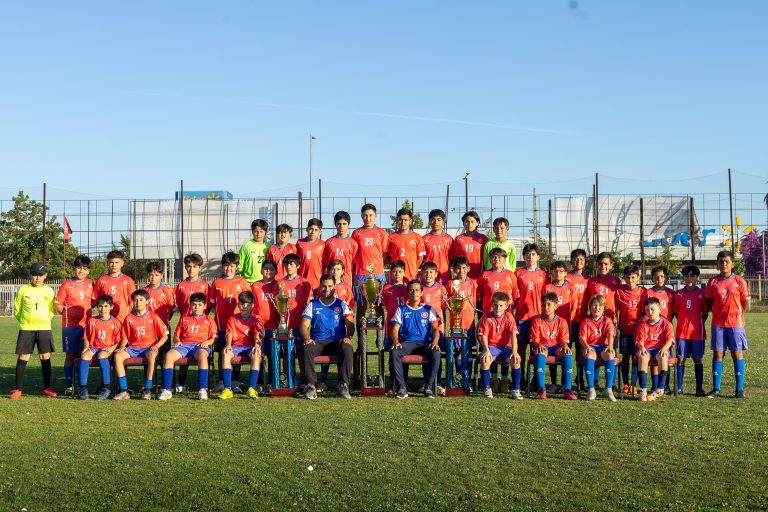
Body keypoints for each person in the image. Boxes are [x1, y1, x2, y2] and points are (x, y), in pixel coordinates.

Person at [300, 275, 356, 399]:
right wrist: (306, 338)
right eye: (324, 286)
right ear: (320, 287)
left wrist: (348, 337)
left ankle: (343, 385)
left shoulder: (342, 304)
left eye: (330, 286)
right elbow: (304, 325)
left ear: (335, 287)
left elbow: (351, 325)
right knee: (307, 348)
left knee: (347, 348)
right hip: (318, 342)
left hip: (337, 341)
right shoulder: (312, 305)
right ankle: (311, 385)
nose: (327, 289)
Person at [705, 250, 750, 399]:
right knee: (718, 354)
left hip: (735, 324)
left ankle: (739, 390)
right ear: (717, 264)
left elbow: (745, 302)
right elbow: (710, 302)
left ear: (732, 264)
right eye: (721, 261)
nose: (724, 264)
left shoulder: (739, 281)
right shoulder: (712, 282)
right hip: (718, 323)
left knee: (737, 353)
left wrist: (738, 314)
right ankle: (716, 388)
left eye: (727, 261)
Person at [11, 263, 57, 399]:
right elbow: (17, 309)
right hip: (26, 328)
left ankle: (47, 388)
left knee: (45, 356)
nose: (38, 277)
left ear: (45, 275)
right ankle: (18, 389)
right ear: (31, 275)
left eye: (40, 275)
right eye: (35, 274)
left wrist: (43, 321)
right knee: (23, 356)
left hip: (44, 328)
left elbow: (51, 310)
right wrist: (25, 321)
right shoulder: (23, 290)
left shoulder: (49, 291)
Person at [158, 293, 217, 401]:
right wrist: (177, 341)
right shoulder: (184, 319)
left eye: (200, 305)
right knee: (169, 355)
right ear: (190, 305)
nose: (197, 307)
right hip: (185, 346)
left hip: (200, 346)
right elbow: (176, 336)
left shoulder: (209, 320)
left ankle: (202, 389)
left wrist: (207, 342)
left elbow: (214, 338)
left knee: (203, 355)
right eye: (194, 304)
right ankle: (167, 389)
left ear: (205, 306)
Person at [113, 290, 169, 400]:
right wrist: (122, 346)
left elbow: (164, 336)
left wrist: (157, 346)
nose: (138, 302)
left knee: (152, 356)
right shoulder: (129, 318)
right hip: (133, 348)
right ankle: (124, 390)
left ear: (147, 301)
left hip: (148, 347)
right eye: (136, 300)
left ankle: (147, 389)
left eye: (141, 300)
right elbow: (125, 336)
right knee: (118, 356)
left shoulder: (153, 317)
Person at [389, 280, 441, 399]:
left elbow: (435, 329)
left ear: (422, 292)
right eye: (411, 290)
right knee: (395, 352)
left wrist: (435, 342)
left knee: (436, 353)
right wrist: (396, 342)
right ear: (408, 292)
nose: (414, 292)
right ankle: (402, 388)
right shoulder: (401, 309)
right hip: (407, 343)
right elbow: (395, 329)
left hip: (424, 344)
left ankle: (428, 387)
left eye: (417, 290)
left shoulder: (429, 309)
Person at [479, 247, 520, 392]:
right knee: (490, 346)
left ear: (504, 259)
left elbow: (515, 295)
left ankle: (504, 380)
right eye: (494, 257)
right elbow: (480, 295)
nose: (497, 260)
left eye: (500, 257)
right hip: (489, 318)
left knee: (505, 344)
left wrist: (508, 312)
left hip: (505, 317)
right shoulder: (484, 275)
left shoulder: (510, 275)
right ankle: (493, 379)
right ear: (490, 259)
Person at [210, 251, 250, 393]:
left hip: (237, 326)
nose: (229, 269)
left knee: (236, 353)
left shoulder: (242, 282)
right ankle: (222, 381)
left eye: (232, 266)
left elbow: (248, 301)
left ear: (237, 267)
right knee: (222, 352)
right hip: (221, 324)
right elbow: (213, 303)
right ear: (222, 266)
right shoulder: (216, 283)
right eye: (226, 266)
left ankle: (234, 381)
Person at [314, 259, 355, 391]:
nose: (335, 272)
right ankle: (323, 380)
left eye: (338, 269)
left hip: (340, 326)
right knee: (324, 350)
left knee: (342, 350)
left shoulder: (347, 289)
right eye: (332, 269)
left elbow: (350, 309)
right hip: (323, 327)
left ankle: (341, 382)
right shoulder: (319, 288)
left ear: (343, 271)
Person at [55, 255, 94, 394]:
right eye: (79, 268)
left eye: (84, 269)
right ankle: (69, 385)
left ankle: (80, 384)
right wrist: (67, 315)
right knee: (70, 355)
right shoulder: (66, 284)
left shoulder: (91, 283)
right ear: (74, 269)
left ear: (88, 271)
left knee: (81, 353)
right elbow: (58, 306)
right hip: (70, 327)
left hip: (85, 326)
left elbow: (94, 303)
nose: (81, 271)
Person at [514, 243, 549, 389]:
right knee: (521, 348)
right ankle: (520, 378)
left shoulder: (543, 275)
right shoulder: (518, 273)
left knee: (537, 349)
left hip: (538, 318)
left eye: (533, 254)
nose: (530, 257)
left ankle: (536, 379)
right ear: (524, 257)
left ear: (538, 257)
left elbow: (546, 298)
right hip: (522, 316)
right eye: (527, 254)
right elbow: (515, 296)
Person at [174, 252, 209, 392]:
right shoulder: (181, 285)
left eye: (194, 267)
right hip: (185, 324)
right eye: (188, 267)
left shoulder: (205, 285)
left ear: (199, 268)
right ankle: (181, 383)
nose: (191, 269)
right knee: (182, 352)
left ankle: (204, 385)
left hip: (200, 326)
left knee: (202, 353)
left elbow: (208, 305)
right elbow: (179, 304)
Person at [529, 293, 575, 400]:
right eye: (544, 305)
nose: (546, 307)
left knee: (567, 355)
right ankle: (541, 389)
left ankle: (567, 389)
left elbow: (563, 340)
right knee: (540, 353)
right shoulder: (537, 321)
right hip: (543, 346)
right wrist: (538, 345)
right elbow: (534, 340)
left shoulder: (562, 321)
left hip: (555, 347)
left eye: (549, 305)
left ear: (555, 306)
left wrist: (565, 346)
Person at [219, 291, 265, 400]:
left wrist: (257, 345)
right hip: (235, 346)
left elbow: (257, 333)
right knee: (225, 353)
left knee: (256, 353)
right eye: (242, 304)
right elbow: (229, 333)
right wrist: (228, 345)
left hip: (249, 346)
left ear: (252, 306)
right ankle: (228, 389)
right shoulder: (232, 319)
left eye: (247, 304)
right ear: (238, 305)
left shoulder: (256, 319)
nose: (244, 307)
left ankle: (252, 388)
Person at [477, 292, 522, 399]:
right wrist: (486, 350)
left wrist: (515, 352)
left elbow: (513, 336)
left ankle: (515, 390)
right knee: (485, 360)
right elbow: (484, 336)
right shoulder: (487, 318)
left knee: (516, 361)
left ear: (506, 306)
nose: (498, 308)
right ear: (492, 305)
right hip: (492, 347)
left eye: (501, 305)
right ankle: (487, 388)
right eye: (496, 305)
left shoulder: (509, 317)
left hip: (507, 347)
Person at [672, 265, 708, 396]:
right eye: (686, 275)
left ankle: (699, 388)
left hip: (697, 333)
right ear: (683, 278)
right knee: (681, 359)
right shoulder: (678, 294)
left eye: (692, 275)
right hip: (682, 333)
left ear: (697, 278)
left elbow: (705, 314)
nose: (689, 278)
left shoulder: (702, 294)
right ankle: (679, 387)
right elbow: (676, 312)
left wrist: (696, 324)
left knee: (697, 359)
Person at [78, 294, 122, 400]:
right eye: (100, 306)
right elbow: (86, 337)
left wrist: (111, 349)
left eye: (106, 306)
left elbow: (119, 340)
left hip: (107, 348)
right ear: (97, 307)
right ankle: (83, 389)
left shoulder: (116, 322)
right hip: (94, 347)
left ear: (111, 307)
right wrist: (86, 346)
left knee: (102, 355)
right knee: (84, 356)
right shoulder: (92, 321)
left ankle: (106, 388)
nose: (103, 309)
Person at [280, 253, 313, 387]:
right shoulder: (280, 283)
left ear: (298, 266)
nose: (289, 266)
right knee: (287, 354)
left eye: (292, 264)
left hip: (300, 324)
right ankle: (288, 379)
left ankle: (305, 380)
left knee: (301, 352)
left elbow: (309, 304)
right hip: (285, 324)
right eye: (287, 264)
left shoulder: (304, 283)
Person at [351, 204, 388, 325]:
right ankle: (361, 341)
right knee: (361, 307)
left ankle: (381, 339)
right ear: (361, 216)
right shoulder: (356, 233)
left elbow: (385, 254)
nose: (368, 218)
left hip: (377, 275)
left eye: (371, 215)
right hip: (361, 274)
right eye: (365, 215)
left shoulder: (382, 233)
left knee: (378, 306)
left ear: (375, 216)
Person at [634, 297, 675, 402]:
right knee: (642, 357)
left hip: (660, 348)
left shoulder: (666, 323)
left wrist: (665, 348)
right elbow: (639, 340)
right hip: (647, 348)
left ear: (660, 309)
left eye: (652, 309)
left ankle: (660, 388)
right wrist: (642, 347)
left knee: (663, 356)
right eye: (647, 310)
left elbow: (670, 339)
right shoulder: (643, 325)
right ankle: (643, 390)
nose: (650, 312)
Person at [579, 294, 617, 401]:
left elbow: (610, 333)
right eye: (594, 306)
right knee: (589, 354)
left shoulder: (607, 320)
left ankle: (608, 389)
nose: (597, 308)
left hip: (603, 346)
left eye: (600, 306)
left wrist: (610, 346)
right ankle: (591, 389)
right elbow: (582, 338)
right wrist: (586, 346)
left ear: (604, 308)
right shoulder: (586, 321)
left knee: (610, 355)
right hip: (591, 346)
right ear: (590, 307)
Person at [251, 259, 280, 389]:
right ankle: (259, 382)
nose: (268, 271)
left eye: (271, 269)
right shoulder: (255, 286)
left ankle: (272, 381)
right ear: (261, 270)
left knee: (273, 354)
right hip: (259, 327)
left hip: (274, 327)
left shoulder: (279, 285)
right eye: (266, 268)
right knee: (259, 354)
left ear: (276, 271)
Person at [616, 265, 644, 393]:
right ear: (624, 278)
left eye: (633, 277)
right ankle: (625, 383)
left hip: (638, 332)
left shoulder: (643, 292)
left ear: (638, 278)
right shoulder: (619, 291)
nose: (630, 280)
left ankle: (633, 384)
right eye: (627, 277)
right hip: (625, 330)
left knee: (636, 357)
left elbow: (645, 314)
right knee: (625, 356)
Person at [93, 250, 136, 322]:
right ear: (108, 263)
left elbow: (132, 302)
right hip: (105, 320)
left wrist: (128, 315)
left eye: (117, 262)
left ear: (122, 263)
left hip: (122, 319)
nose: (114, 265)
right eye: (111, 262)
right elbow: (95, 299)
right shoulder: (101, 280)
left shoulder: (128, 280)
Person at [386, 207, 425, 281]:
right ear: (397, 221)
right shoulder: (390, 237)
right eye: (400, 220)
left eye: (406, 220)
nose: (403, 222)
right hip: (395, 276)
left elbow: (420, 257)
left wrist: (414, 268)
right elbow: (388, 257)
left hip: (411, 275)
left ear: (410, 221)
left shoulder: (417, 237)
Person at [323, 211, 359, 286]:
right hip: (331, 280)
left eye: (344, 224)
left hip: (347, 280)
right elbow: (325, 264)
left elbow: (355, 265)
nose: (341, 226)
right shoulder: (328, 242)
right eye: (339, 224)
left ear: (348, 225)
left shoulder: (353, 243)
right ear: (335, 225)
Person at [450, 211, 488, 280]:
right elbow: (455, 258)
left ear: (477, 223)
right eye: (467, 221)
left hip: (478, 276)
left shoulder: (483, 238)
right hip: (462, 276)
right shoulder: (458, 239)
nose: (469, 224)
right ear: (463, 223)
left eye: (472, 222)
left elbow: (486, 259)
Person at [566, 248, 590, 348]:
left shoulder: (588, 279)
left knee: (581, 349)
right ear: (571, 261)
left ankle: (581, 364)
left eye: (581, 259)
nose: (578, 261)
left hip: (583, 318)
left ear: (585, 262)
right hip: (568, 319)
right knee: (566, 347)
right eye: (576, 259)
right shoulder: (565, 277)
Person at [422, 209, 453, 284]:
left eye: (439, 220)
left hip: (444, 276)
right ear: (429, 221)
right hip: (428, 277)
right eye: (433, 219)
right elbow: (421, 259)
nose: (436, 222)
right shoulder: (423, 239)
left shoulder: (449, 239)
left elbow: (452, 259)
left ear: (443, 221)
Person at [144, 261, 175, 332]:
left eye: (156, 275)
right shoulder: (144, 291)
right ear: (147, 275)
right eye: (151, 275)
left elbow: (171, 310)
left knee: (164, 342)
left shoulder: (167, 291)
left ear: (161, 276)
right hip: (148, 326)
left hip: (163, 326)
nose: (153, 277)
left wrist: (165, 320)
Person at [238, 219, 270, 285]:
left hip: (265, 282)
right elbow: (239, 266)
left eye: (261, 231)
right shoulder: (246, 246)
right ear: (252, 232)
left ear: (265, 232)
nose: (258, 234)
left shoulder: (269, 247)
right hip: (248, 283)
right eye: (256, 231)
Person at [297, 218, 325, 289]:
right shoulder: (299, 243)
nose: (313, 232)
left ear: (320, 232)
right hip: (301, 281)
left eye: (316, 230)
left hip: (317, 282)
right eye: (311, 229)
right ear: (306, 229)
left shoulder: (322, 244)